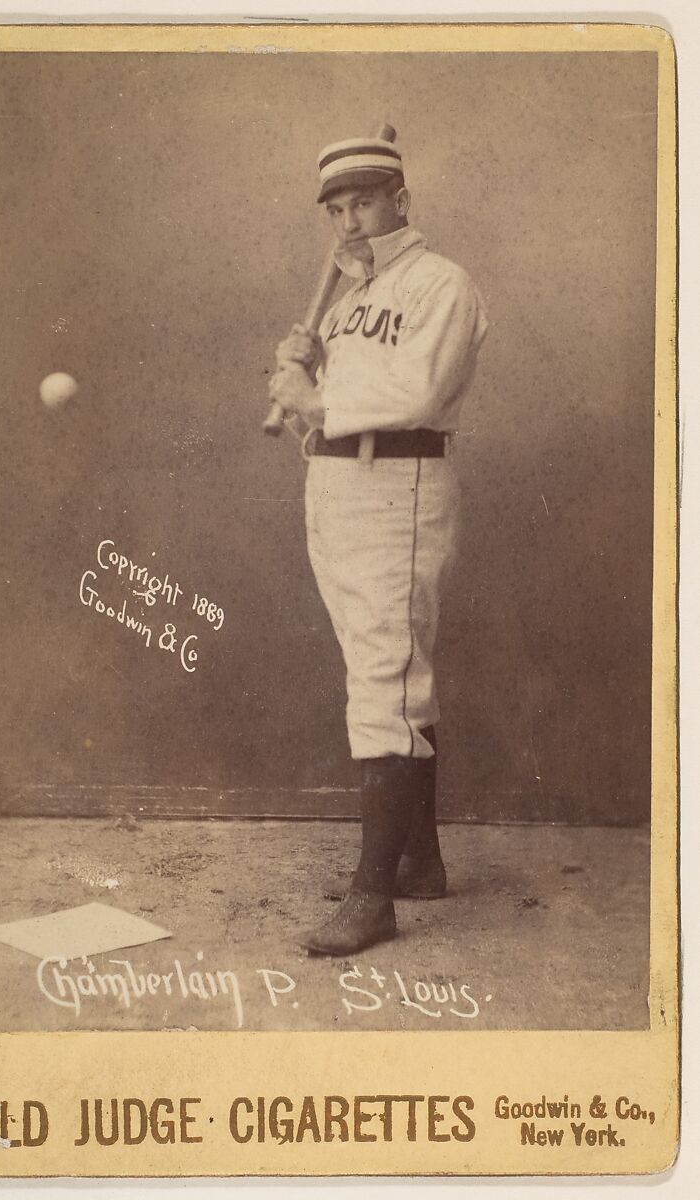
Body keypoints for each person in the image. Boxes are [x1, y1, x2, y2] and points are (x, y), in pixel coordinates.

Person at [268, 135, 488, 955]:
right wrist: (299, 382)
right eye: (335, 209)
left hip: (399, 486)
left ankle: (372, 899)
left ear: (402, 198)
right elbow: (323, 406)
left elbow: (419, 390)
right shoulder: (345, 299)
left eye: (363, 202)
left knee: (385, 681)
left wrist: (320, 403)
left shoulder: (441, 283)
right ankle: (418, 863)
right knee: (388, 673)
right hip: (336, 487)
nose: (349, 221)